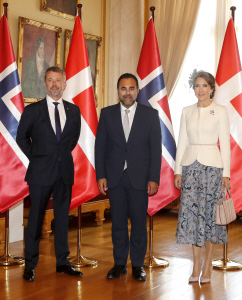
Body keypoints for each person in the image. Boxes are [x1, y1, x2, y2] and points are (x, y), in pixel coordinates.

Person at [16, 66, 82, 282]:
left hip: (64, 171)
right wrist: (36, 157)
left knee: (62, 218)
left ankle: (62, 262)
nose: (54, 84)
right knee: (36, 219)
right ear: (45, 84)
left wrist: (59, 156)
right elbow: (22, 138)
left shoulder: (74, 111)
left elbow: (72, 140)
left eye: (58, 80)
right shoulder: (32, 110)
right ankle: (30, 265)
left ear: (64, 84)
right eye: (50, 80)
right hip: (40, 172)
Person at [95, 73, 161, 282]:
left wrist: (153, 178)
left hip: (140, 178)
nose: (127, 93)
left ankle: (138, 265)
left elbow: (155, 150)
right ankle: (119, 264)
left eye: (131, 88)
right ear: (118, 91)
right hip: (114, 178)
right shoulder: (106, 114)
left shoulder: (150, 115)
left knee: (139, 224)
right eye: (123, 89)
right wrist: (101, 175)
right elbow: (100, 148)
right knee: (118, 224)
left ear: (137, 91)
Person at [173, 70, 231, 284]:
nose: (200, 90)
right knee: (191, 218)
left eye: (204, 86)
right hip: (190, 168)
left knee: (209, 218)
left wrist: (227, 173)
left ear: (212, 89)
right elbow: (181, 141)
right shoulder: (186, 111)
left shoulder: (221, 111)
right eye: (197, 86)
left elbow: (225, 143)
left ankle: (208, 265)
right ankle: (195, 264)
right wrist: (178, 170)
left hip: (213, 170)